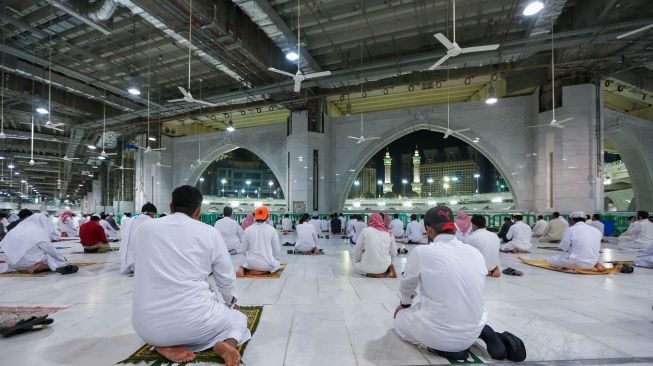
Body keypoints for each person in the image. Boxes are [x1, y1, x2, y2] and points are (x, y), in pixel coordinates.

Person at [132, 185, 248, 365]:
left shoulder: (144, 229)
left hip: (147, 328)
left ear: (171, 206)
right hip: (195, 323)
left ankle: (162, 345)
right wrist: (232, 303)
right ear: (198, 210)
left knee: (171, 325)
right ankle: (228, 343)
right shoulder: (209, 232)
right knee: (238, 318)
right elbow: (225, 278)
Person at [394, 206, 517, 361]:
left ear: (429, 230)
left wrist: (404, 305)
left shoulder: (422, 252)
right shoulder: (475, 253)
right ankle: (483, 332)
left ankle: (445, 348)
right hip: (474, 326)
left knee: (400, 320)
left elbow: (407, 285)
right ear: (452, 228)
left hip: (439, 335)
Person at [0, 213, 78, 275]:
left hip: (12, 263)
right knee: (51, 258)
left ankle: (24, 266)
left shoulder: (16, 230)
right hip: (29, 263)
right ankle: (38, 267)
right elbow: (50, 249)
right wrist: (62, 259)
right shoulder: (38, 231)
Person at [236, 206, 281, 277]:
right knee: (277, 265)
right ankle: (262, 272)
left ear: (255, 216)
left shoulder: (248, 229)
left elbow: (243, 250)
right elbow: (276, 250)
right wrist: (274, 257)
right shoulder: (272, 230)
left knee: (247, 261)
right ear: (267, 216)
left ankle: (245, 268)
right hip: (266, 264)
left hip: (251, 263)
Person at [353, 213, 397, 278]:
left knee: (356, 266)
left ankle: (371, 274)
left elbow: (358, 248)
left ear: (370, 220)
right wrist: (390, 263)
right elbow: (394, 252)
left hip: (368, 267)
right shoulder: (389, 233)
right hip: (385, 267)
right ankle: (386, 269)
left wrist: (359, 259)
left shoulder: (365, 231)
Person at [120, 203, 158, 274]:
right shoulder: (152, 222)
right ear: (152, 214)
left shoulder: (130, 221)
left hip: (128, 262)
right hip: (144, 264)